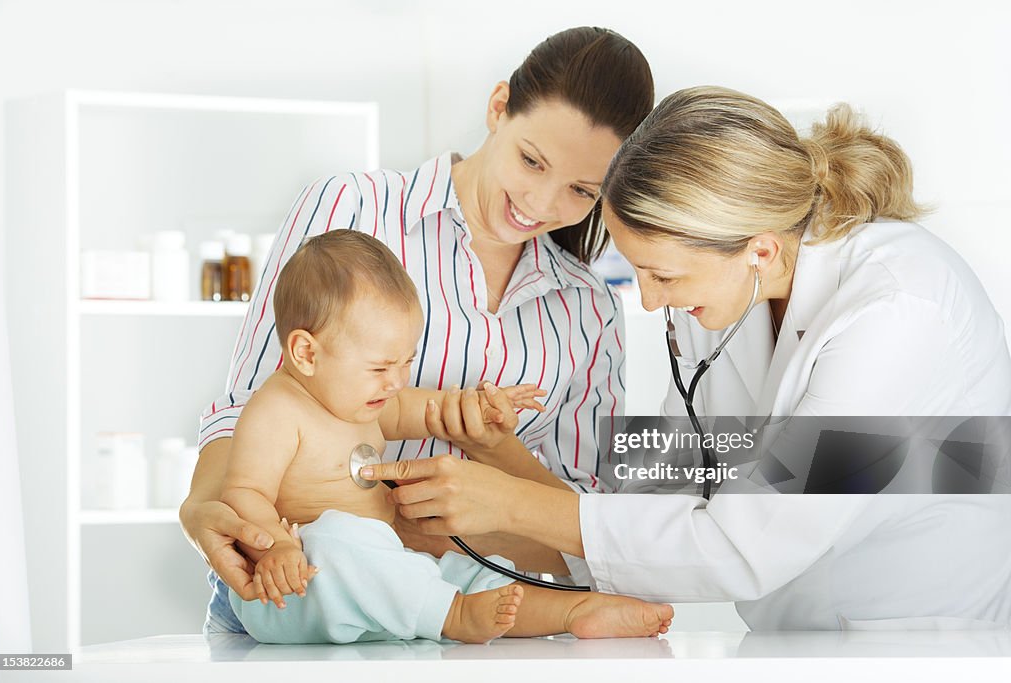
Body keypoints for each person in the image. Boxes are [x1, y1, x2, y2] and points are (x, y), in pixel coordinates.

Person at [361, 87, 1011, 631]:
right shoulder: (722, 297)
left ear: (758, 249)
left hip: (922, 634)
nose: (647, 301)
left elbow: (744, 540)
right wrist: (496, 476)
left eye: (660, 275)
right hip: (793, 635)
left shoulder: (900, 311)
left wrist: (508, 505)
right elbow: (653, 509)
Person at [180, 26, 656, 634]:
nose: (539, 202)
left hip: (479, 611)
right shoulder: (353, 210)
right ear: (498, 106)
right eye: (531, 160)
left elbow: (588, 530)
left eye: (581, 191)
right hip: (310, 588)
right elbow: (251, 406)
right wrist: (207, 507)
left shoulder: (588, 309)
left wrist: (496, 454)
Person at [220, 230, 673, 643]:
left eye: (405, 362)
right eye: (380, 368)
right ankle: (454, 614)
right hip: (298, 586)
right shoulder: (278, 411)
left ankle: (574, 610)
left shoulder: (361, 398)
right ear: (306, 353)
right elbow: (243, 492)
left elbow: (422, 409)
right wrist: (277, 547)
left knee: (469, 572)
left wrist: (475, 407)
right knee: (337, 539)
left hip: (385, 571)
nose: (396, 381)